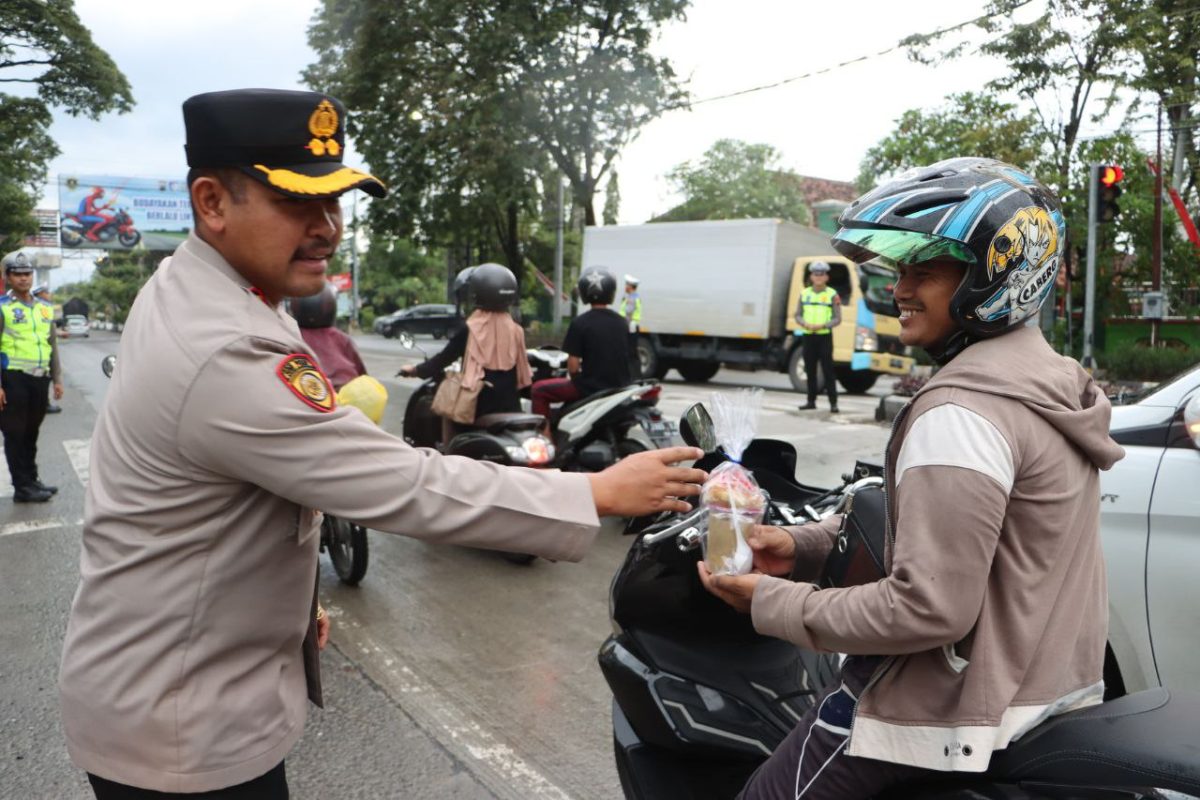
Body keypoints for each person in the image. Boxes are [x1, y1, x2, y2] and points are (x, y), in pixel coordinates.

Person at [58, 88, 706, 800]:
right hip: (180, 727)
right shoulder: (225, 345)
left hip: (171, 683)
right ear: (212, 202)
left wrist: (289, 608)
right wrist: (596, 491)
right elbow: (405, 484)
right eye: (298, 204)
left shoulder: (204, 289)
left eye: (335, 204)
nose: (328, 228)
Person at [698, 158, 1125, 800]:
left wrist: (769, 601)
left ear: (994, 275)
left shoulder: (960, 412)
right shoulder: (1049, 385)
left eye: (923, 271)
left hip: (948, 713)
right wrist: (806, 546)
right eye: (899, 270)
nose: (900, 289)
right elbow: (985, 541)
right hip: (1048, 693)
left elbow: (928, 607)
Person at [399, 263, 531, 440]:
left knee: (447, 410)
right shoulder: (516, 330)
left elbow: (442, 360)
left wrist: (415, 370)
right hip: (511, 405)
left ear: (477, 294)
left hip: (479, 404)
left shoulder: (471, 329)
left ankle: (451, 456)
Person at [0, 251, 63, 502]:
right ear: (8, 277)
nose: (24, 278)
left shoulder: (45, 309)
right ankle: (22, 488)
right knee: (15, 434)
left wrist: (57, 379)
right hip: (12, 378)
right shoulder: (3, 308)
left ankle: (32, 479)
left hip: (39, 379)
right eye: (18, 274)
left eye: (27, 274)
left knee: (31, 433)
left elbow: (53, 345)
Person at [530, 266, 632, 420]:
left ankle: (545, 437)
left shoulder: (580, 323)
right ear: (612, 292)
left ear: (584, 293)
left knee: (539, 390)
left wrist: (579, 379)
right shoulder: (622, 322)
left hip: (589, 388)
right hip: (620, 388)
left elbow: (573, 366)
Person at [288, 281, 365, 391]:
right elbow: (362, 375)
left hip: (307, 398)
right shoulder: (342, 339)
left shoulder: (291, 337)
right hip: (343, 397)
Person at [794, 261, 841, 413]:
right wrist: (805, 324)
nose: (819, 277)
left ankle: (833, 403)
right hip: (808, 336)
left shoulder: (832, 295)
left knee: (828, 370)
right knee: (810, 369)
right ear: (811, 276)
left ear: (826, 277)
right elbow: (797, 315)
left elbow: (837, 318)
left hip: (824, 337)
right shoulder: (804, 293)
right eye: (816, 274)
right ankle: (810, 401)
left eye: (822, 274)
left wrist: (822, 326)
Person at [32, 285, 64, 413]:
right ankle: (42, 404)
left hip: (44, 350)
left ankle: (44, 403)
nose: (49, 294)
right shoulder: (38, 307)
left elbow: (48, 329)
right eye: (46, 292)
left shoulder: (46, 307)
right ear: (40, 294)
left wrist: (59, 333)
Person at [616, 273, 642, 375]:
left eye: (626, 285)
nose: (625, 287)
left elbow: (628, 313)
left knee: (630, 353)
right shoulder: (632, 297)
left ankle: (632, 375)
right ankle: (634, 374)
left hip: (629, 326)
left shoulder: (631, 299)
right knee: (632, 352)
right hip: (631, 326)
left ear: (630, 286)